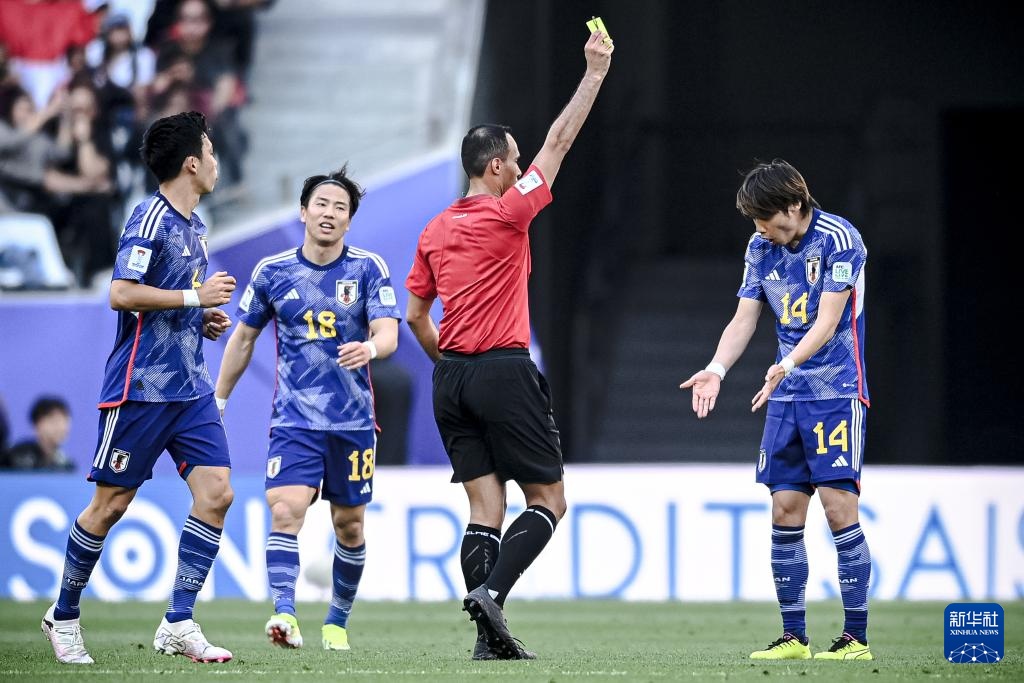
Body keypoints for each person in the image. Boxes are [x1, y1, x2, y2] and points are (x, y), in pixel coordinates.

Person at [404, 30, 613, 661]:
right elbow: (559, 142)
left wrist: (449, 364)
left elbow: (415, 315)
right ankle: (492, 594)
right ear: (494, 166)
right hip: (502, 370)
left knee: (484, 506)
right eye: (514, 161)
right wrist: (594, 74)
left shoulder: (434, 229)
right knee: (549, 500)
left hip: (452, 379)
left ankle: (486, 642)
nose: (522, 169)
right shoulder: (508, 211)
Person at [40, 110, 237, 665]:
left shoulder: (196, 227)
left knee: (218, 493)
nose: (216, 162)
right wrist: (196, 298)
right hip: (140, 387)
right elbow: (121, 293)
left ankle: (178, 622)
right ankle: (63, 615)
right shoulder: (149, 218)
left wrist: (201, 319)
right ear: (192, 163)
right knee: (110, 505)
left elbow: (166, 301)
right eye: (211, 152)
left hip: (190, 388)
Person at [679, 159, 872, 661]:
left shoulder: (840, 239)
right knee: (785, 508)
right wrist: (717, 369)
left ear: (793, 205)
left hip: (834, 391)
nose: (760, 227)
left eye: (764, 217)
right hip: (785, 395)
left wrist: (785, 364)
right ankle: (794, 637)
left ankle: (855, 639)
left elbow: (828, 321)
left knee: (838, 509)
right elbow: (745, 317)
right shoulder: (760, 247)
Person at [214, 166, 400, 652]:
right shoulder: (272, 272)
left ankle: (336, 623)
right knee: (285, 509)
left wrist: (370, 349)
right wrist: (219, 399)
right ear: (303, 212)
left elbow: (388, 333)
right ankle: (285, 614)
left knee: (349, 525)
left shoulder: (368, 269)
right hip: (294, 419)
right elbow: (243, 339)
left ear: (349, 220)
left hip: (353, 421)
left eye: (340, 207)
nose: (329, 213)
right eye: (321, 204)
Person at [2, 396, 74, 471]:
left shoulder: (66, 466)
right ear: (37, 424)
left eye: (65, 421)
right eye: (55, 421)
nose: (61, 427)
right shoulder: (15, 456)